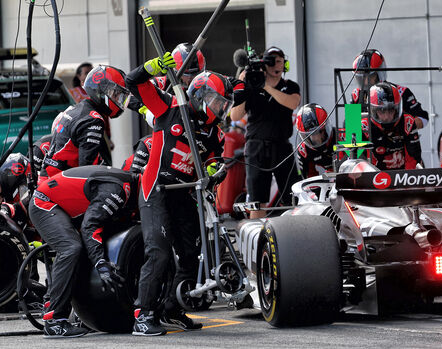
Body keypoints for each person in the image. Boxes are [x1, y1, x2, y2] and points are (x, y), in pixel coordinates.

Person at [126, 52, 230, 336]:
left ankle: (171, 309)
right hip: (156, 188)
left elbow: (215, 161)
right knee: (159, 253)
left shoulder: (214, 133)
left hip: (185, 194)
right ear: (201, 95)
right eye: (218, 102)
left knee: (192, 254)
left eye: (224, 105)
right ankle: (142, 314)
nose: (222, 109)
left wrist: (215, 171)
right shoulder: (170, 107)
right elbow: (132, 82)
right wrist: (150, 67)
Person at [29, 165, 138, 338]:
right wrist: (101, 264)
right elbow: (90, 227)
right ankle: (54, 320)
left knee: (81, 247)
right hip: (45, 203)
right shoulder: (118, 190)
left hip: (65, 208)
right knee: (71, 248)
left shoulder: (130, 188)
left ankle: (61, 309)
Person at [230, 46, 301, 219]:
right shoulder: (252, 88)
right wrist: (242, 88)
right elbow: (235, 115)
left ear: (285, 64)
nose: (275, 65)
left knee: (293, 197)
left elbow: (293, 103)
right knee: (257, 199)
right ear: (263, 64)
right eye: (271, 61)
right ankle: (258, 239)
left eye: (279, 61)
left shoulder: (290, 86)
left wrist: (267, 87)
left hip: (282, 146)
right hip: (256, 148)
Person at [39, 65, 129, 183]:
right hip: (58, 183)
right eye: (116, 94)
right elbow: (86, 170)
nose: (119, 99)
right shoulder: (92, 119)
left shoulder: (79, 108)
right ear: (103, 90)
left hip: (51, 178)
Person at [351, 49, 428, 165]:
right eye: (361, 78)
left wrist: (400, 130)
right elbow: (350, 131)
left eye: (370, 77)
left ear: (380, 73)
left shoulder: (401, 92)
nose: (366, 82)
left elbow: (423, 118)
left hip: (402, 152)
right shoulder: (355, 96)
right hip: (374, 156)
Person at [362, 82, 421, 170]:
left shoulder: (407, 121)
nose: (387, 117)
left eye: (391, 111)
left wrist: (405, 178)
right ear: (373, 110)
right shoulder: (356, 123)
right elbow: (355, 164)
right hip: (372, 176)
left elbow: (414, 157)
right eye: (382, 111)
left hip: (402, 175)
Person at [295, 103, 336, 177]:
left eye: (320, 132)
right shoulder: (303, 151)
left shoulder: (342, 135)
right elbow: (309, 179)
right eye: (311, 135)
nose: (317, 138)